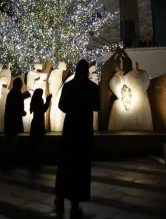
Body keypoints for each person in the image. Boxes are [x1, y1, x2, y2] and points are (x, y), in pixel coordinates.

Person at [55, 60, 100, 217]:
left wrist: (72, 109)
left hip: (70, 129)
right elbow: (96, 107)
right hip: (84, 129)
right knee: (81, 166)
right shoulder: (92, 87)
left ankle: (60, 196)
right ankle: (75, 203)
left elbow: (61, 105)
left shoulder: (68, 86)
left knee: (66, 163)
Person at [3, 78, 29, 170]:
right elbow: (15, 106)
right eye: (21, 84)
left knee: (11, 142)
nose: (22, 86)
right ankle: (8, 162)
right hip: (12, 122)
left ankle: (8, 162)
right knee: (11, 142)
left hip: (11, 121)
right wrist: (22, 112)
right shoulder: (15, 93)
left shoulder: (14, 93)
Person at [29, 88, 52, 171]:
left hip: (35, 124)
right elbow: (43, 109)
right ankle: (36, 164)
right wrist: (48, 100)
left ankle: (34, 163)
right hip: (38, 124)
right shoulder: (39, 100)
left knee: (34, 145)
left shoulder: (34, 101)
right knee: (37, 145)